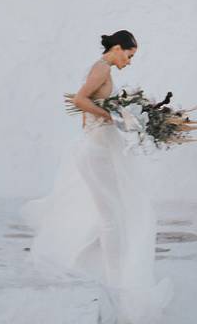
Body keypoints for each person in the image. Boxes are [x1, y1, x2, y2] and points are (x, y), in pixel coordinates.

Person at [20, 30, 173, 323]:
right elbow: (80, 100)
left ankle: (113, 276)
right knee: (112, 216)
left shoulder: (101, 69)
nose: (129, 62)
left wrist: (107, 123)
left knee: (116, 214)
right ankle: (118, 284)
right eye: (129, 55)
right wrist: (115, 118)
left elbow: (86, 111)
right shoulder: (101, 68)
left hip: (99, 147)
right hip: (97, 153)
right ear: (117, 48)